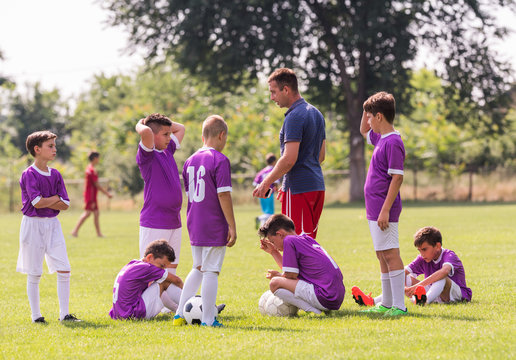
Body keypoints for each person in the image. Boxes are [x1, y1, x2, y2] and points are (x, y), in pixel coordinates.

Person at [173, 115, 237, 327]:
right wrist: (232, 226)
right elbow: (223, 195)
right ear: (222, 135)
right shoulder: (220, 160)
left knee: (198, 267)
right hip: (212, 222)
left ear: (202, 136)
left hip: (194, 221)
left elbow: (191, 194)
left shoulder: (189, 160)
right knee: (211, 271)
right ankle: (209, 320)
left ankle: (180, 314)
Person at [253, 68, 326, 239]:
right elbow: (321, 156)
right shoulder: (316, 114)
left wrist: (266, 183)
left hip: (300, 189)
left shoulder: (294, 116)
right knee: (308, 241)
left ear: (286, 89)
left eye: (273, 92)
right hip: (316, 187)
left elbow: (289, 159)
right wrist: (286, 182)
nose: (272, 97)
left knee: (296, 242)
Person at [16, 130, 80, 323]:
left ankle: (64, 314)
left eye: (54, 145)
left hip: (53, 225)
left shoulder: (56, 174)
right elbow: (37, 203)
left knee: (64, 268)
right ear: (37, 149)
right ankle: (36, 316)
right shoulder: (29, 174)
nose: (54, 149)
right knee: (35, 271)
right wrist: (56, 199)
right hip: (32, 225)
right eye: (50, 146)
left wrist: (51, 201)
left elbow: (66, 204)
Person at [354, 91, 407, 317]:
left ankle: (400, 306)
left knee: (391, 254)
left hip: (384, 209)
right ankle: (386, 302)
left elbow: (397, 178)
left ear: (379, 116)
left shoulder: (393, 142)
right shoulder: (379, 138)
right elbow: (363, 130)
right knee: (381, 254)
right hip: (374, 208)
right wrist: (366, 106)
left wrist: (385, 209)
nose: (366, 120)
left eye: (369, 116)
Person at [352, 226, 472, 306]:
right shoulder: (423, 258)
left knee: (441, 278)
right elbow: (402, 272)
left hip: (457, 295)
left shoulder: (449, 255)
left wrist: (416, 287)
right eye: (419, 250)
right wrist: (404, 287)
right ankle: (372, 301)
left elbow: (444, 272)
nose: (422, 254)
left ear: (438, 246)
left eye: (425, 249)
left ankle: (423, 301)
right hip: (434, 294)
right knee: (404, 277)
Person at [258, 214, 345, 314]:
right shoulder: (306, 239)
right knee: (279, 281)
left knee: (274, 283)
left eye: (273, 241)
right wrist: (274, 252)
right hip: (335, 297)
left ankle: (313, 312)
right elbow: (292, 272)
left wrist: (278, 275)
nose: (274, 245)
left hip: (325, 296)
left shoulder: (288, 240)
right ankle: (317, 309)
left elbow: (291, 276)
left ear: (280, 234)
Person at [135, 113, 185, 284]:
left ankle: (167, 304)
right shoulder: (147, 155)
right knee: (152, 270)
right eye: (165, 134)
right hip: (155, 221)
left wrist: (164, 126)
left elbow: (181, 128)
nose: (169, 138)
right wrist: (140, 124)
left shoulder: (168, 150)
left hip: (173, 220)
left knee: (170, 268)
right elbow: (147, 133)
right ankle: (145, 305)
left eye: (169, 134)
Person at [109, 240, 184, 320]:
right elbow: (177, 280)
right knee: (163, 281)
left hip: (118, 315)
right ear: (149, 257)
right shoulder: (147, 268)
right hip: (131, 314)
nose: (162, 269)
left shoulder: (134, 263)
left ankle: (180, 309)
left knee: (159, 281)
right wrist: (187, 293)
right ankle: (187, 306)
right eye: (161, 266)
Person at [71, 151, 112, 237]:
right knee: (87, 213)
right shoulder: (91, 170)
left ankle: (98, 233)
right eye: (98, 158)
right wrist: (107, 194)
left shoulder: (90, 168)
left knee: (96, 213)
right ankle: (75, 231)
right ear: (94, 158)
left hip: (91, 195)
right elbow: (96, 185)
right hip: (91, 195)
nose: (99, 160)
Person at [253, 153, 280, 228]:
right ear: (274, 161)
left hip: (260, 192)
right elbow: (275, 183)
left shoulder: (262, 172)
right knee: (270, 213)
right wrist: (278, 192)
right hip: (269, 192)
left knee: (265, 211)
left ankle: (262, 228)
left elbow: (255, 183)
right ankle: (259, 218)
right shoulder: (274, 171)